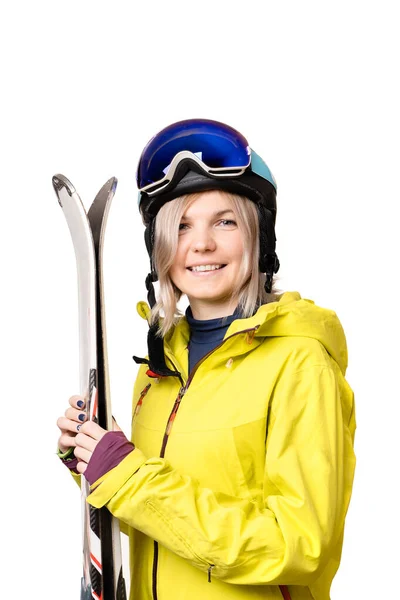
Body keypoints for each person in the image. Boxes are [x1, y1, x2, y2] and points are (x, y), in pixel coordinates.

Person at [56, 118, 356, 600]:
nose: (201, 245)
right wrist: (98, 461)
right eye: (181, 225)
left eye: (225, 221)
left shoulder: (300, 364)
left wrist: (130, 477)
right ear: (160, 248)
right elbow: (170, 534)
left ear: (261, 238)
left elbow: (298, 545)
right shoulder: (158, 370)